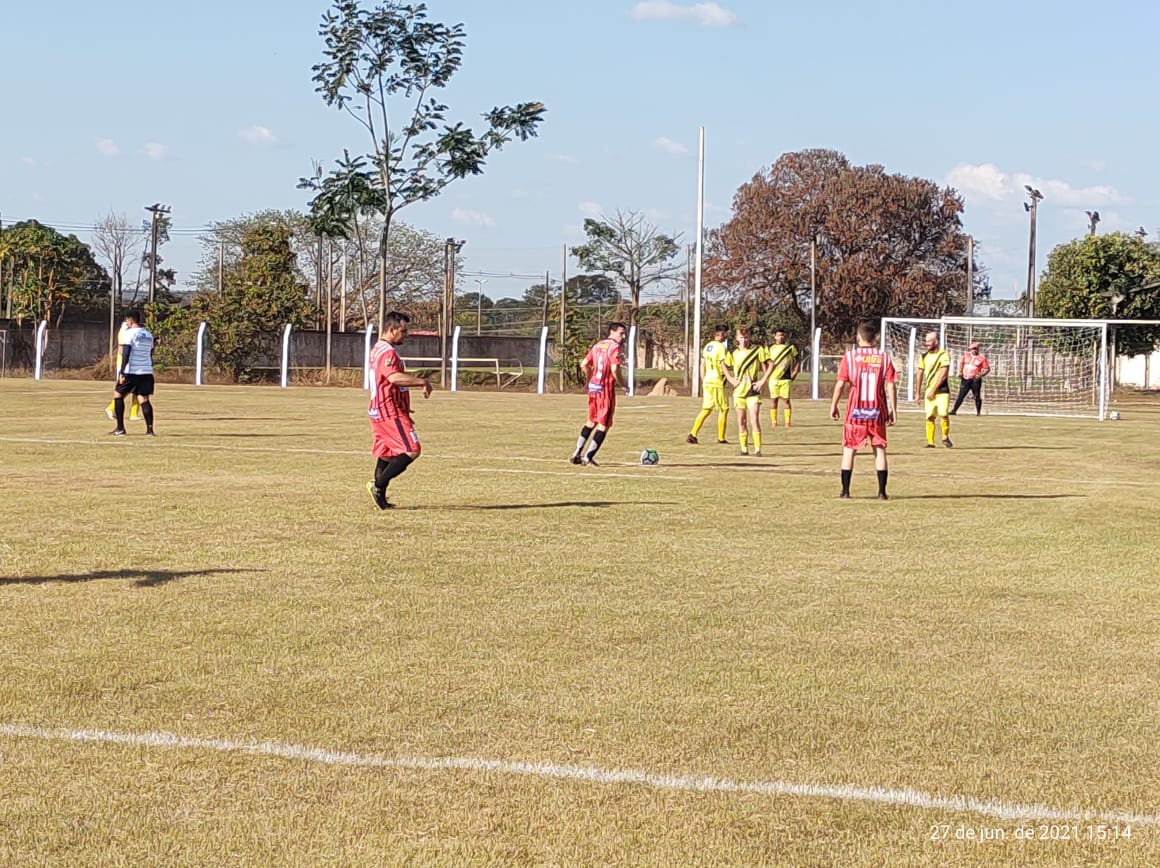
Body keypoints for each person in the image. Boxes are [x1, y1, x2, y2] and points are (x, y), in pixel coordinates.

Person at [366, 310, 432, 510]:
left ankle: (381, 500)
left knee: (386, 454)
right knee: (412, 449)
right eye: (403, 331)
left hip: (379, 408)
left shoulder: (377, 348)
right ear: (392, 329)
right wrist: (422, 381)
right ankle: (377, 485)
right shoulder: (387, 352)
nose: (406, 335)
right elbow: (393, 377)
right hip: (388, 410)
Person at [830, 320, 897, 500]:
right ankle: (882, 492)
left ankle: (845, 491)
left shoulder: (850, 357)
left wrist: (834, 405)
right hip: (877, 411)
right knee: (880, 450)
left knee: (849, 450)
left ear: (858, 338)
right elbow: (890, 385)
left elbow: (840, 384)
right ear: (875, 338)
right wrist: (893, 409)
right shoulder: (884, 358)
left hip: (855, 412)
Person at [570, 322, 627, 466]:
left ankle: (576, 453)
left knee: (591, 421)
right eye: (621, 333)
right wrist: (623, 385)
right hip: (605, 389)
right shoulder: (615, 347)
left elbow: (584, 364)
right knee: (603, 425)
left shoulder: (597, 346)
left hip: (593, 388)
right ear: (612, 332)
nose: (623, 336)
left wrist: (591, 379)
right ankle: (588, 457)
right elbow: (614, 369)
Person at [723, 326, 771, 456]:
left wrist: (762, 381)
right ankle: (744, 448)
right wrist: (730, 379)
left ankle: (757, 449)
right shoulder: (733, 352)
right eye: (741, 337)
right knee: (741, 420)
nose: (744, 340)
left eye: (746, 337)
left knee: (754, 419)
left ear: (750, 337)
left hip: (752, 391)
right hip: (739, 391)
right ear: (737, 338)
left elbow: (771, 365)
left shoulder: (757, 350)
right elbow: (723, 365)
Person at [109, 310, 156, 437]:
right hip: (146, 371)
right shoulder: (148, 334)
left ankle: (120, 428)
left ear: (129, 320)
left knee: (118, 394)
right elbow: (150, 352)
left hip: (132, 371)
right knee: (143, 399)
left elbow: (126, 352)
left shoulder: (128, 334)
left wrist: (122, 371)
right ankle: (150, 430)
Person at [686, 324, 730, 444]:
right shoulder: (721, 348)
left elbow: (702, 364)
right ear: (722, 334)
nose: (727, 336)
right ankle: (721, 438)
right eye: (726, 333)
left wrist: (703, 379)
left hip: (707, 381)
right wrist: (730, 378)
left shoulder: (708, 346)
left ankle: (693, 434)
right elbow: (723, 364)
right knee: (724, 409)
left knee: (706, 409)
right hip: (717, 382)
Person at [915, 330, 952, 448]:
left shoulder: (943, 355)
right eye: (925, 341)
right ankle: (930, 442)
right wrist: (917, 393)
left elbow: (943, 374)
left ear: (935, 342)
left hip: (942, 391)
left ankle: (945, 437)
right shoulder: (923, 356)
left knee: (943, 413)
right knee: (929, 416)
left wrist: (934, 390)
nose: (926, 344)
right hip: (929, 391)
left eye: (929, 341)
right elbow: (919, 374)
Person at [106, 317, 142, 424]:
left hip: (134, 366)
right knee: (124, 391)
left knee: (136, 391)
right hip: (126, 367)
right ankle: (112, 407)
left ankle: (133, 414)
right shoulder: (125, 331)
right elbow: (122, 350)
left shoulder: (130, 331)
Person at [766, 329, 801, 429]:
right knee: (773, 400)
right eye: (778, 335)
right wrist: (766, 375)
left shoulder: (790, 348)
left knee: (786, 401)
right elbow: (764, 361)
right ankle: (774, 421)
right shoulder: (770, 348)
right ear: (774, 336)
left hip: (785, 378)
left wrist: (795, 372)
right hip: (773, 378)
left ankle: (787, 422)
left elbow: (797, 359)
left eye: (782, 335)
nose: (780, 337)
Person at [951, 341, 990, 415]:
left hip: (975, 380)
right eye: (972, 349)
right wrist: (960, 372)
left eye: (975, 349)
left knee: (977, 396)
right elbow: (962, 363)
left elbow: (987, 369)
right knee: (961, 395)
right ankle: (954, 410)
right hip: (965, 379)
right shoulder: (966, 355)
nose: (974, 350)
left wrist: (980, 375)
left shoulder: (982, 358)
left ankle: (978, 412)